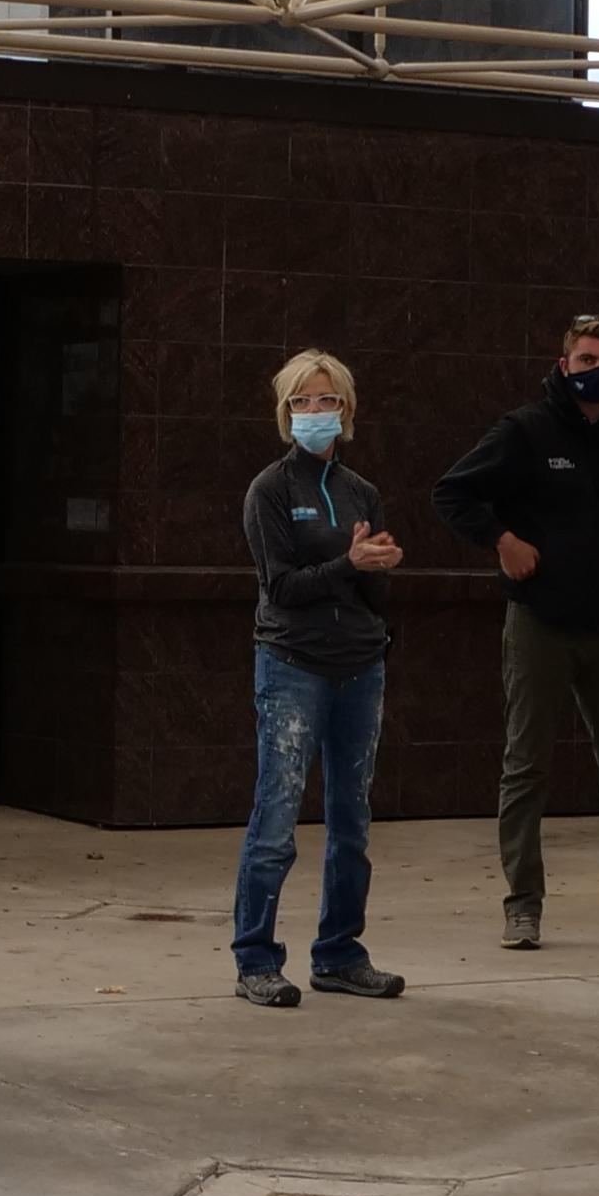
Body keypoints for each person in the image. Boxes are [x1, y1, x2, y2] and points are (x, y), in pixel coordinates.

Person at [435, 310, 599, 951]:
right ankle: (523, 904)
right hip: (541, 623)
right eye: (588, 360)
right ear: (564, 363)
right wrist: (502, 540)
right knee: (526, 768)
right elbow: (452, 493)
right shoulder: (525, 431)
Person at [238, 351, 407, 1010]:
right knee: (277, 816)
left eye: (327, 400)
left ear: (347, 409)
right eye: (304, 401)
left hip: (359, 667)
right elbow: (281, 586)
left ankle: (339, 954)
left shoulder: (362, 490)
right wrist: (350, 562)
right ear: (286, 412)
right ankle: (255, 959)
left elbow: (370, 586)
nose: (316, 412)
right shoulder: (270, 490)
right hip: (292, 666)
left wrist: (376, 571)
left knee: (352, 820)